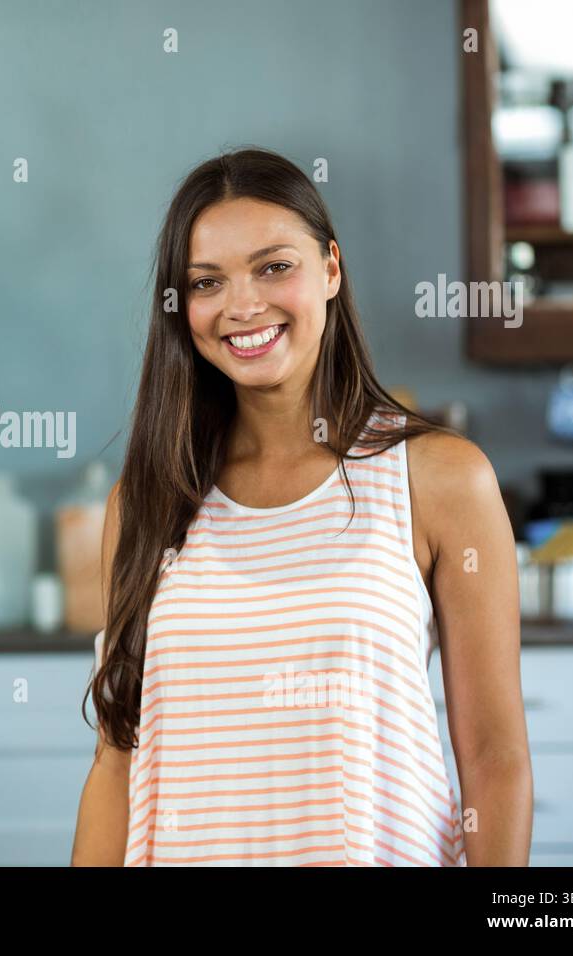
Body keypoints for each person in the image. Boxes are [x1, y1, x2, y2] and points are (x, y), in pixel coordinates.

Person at [70, 147, 531, 866]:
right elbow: (116, 765)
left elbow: (496, 762)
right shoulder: (148, 503)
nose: (242, 305)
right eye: (206, 281)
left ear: (331, 270)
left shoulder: (439, 479)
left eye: (274, 266)